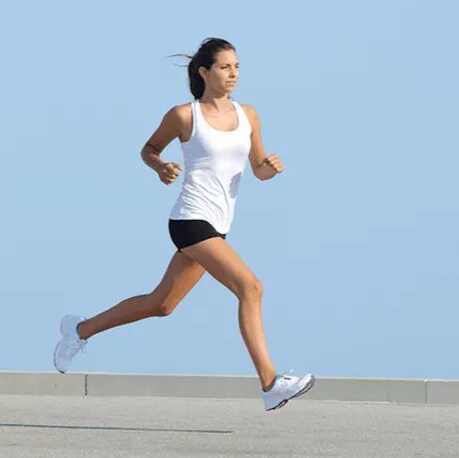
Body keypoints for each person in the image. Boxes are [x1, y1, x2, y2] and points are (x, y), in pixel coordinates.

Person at [53, 37, 315, 411]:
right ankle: (271, 384)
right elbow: (150, 149)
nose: (233, 73)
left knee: (162, 304)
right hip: (190, 220)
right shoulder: (184, 115)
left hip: (218, 226)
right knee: (251, 288)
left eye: (237, 66)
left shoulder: (249, 115)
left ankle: (79, 330)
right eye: (225, 67)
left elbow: (256, 169)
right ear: (205, 72)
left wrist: (269, 170)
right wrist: (161, 167)